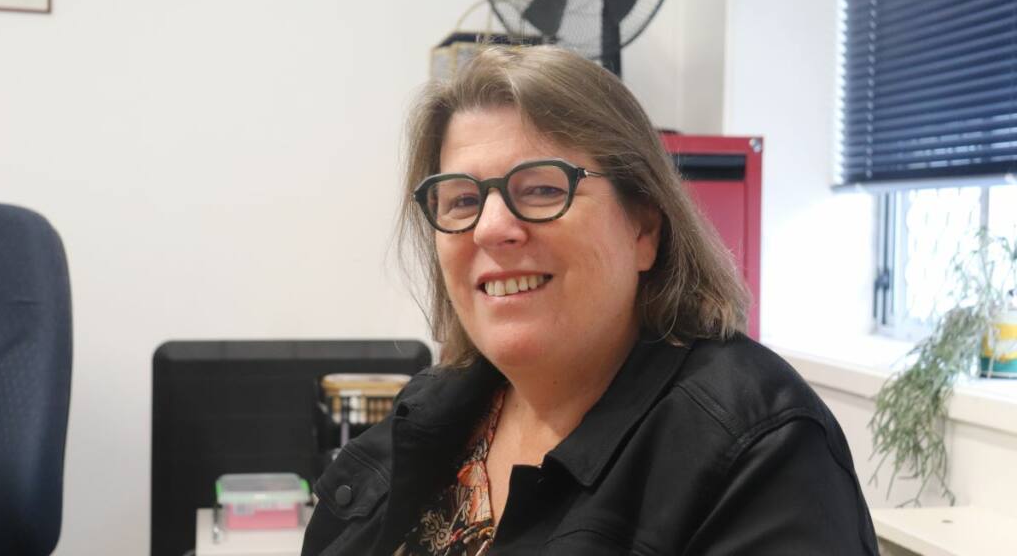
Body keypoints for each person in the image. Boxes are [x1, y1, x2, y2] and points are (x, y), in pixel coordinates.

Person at [301, 45, 878, 555]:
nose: (490, 228)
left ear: (643, 228)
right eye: (461, 201)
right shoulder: (433, 408)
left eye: (542, 188)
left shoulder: (762, 453)